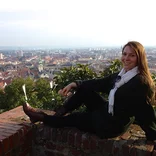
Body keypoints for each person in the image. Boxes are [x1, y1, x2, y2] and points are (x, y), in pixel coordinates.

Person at [23, 41, 156, 141]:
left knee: (75, 119)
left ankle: (41, 117)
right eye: (125, 54)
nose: (126, 58)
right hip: (108, 111)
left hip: (111, 125)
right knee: (85, 91)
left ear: (139, 58)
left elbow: (145, 111)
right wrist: (75, 84)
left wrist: (152, 134)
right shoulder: (122, 75)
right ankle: (57, 114)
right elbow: (99, 83)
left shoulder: (140, 82)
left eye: (132, 55)